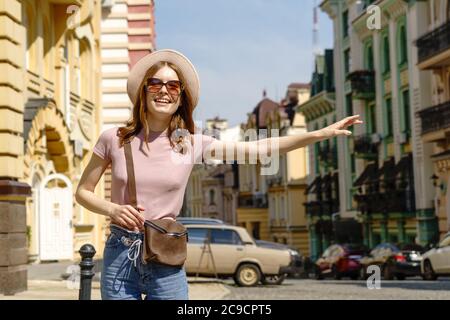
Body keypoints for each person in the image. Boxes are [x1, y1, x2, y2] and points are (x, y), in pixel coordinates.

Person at [75, 49, 363, 300]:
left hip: (165, 254)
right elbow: (83, 192)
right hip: (120, 254)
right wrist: (113, 208)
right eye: (156, 83)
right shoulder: (114, 138)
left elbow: (259, 148)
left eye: (174, 87)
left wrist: (318, 134)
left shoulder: (191, 143)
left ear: (180, 98)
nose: (164, 91)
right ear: (143, 90)